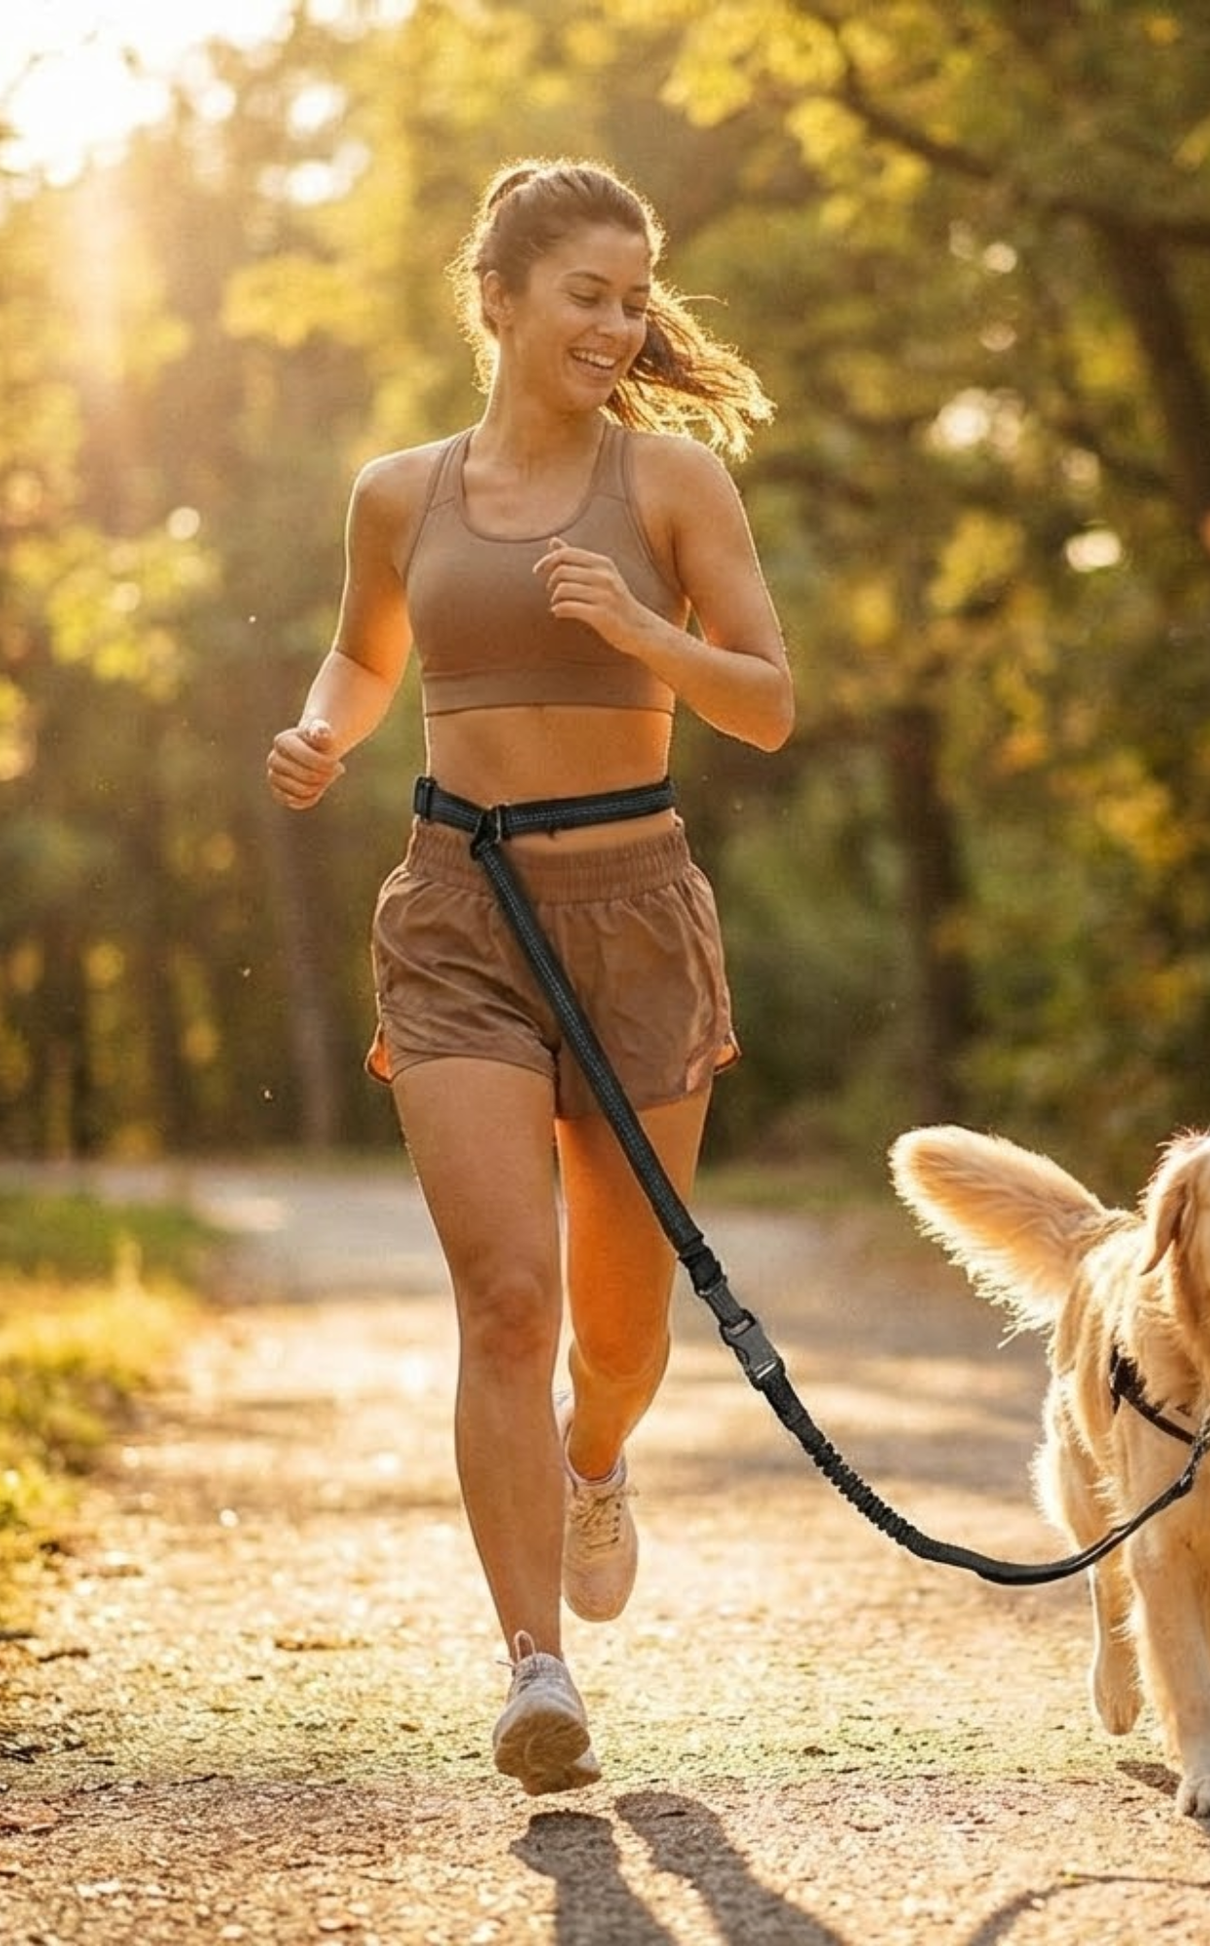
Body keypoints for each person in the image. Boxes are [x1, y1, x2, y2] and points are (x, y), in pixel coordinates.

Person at [265, 158, 793, 1796]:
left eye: (637, 299)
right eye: (589, 293)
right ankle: (532, 1666)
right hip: (455, 909)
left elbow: (766, 704)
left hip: (632, 908)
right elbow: (366, 651)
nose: (620, 324)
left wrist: (642, 631)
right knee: (508, 1298)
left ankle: (597, 1453)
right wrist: (323, 731)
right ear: (496, 297)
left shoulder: (676, 485)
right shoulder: (395, 492)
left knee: (620, 1336)